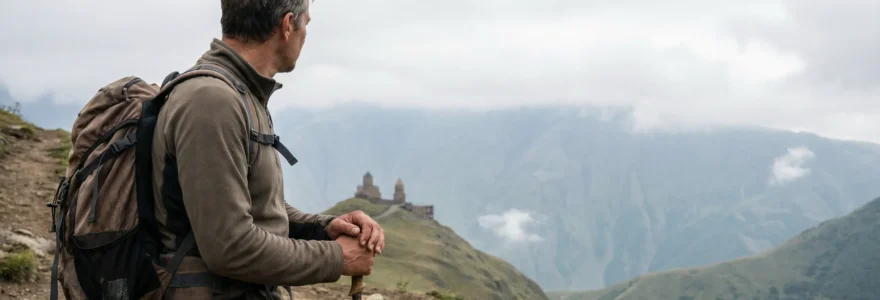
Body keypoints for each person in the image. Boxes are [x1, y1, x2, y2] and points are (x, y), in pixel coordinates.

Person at [149, 0, 385, 298]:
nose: (306, 34)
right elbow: (229, 247)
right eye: (307, 23)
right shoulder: (212, 102)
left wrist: (323, 228)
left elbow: (245, 204)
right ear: (287, 25)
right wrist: (337, 257)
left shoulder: (240, 93)